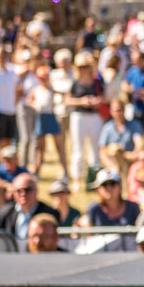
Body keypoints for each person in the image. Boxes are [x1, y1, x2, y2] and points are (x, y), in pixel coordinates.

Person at [65, 53, 105, 188]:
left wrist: (96, 101)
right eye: (81, 67)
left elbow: (103, 97)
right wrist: (82, 101)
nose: (84, 69)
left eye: (86, 66)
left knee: (95, 148)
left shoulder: (98, 82)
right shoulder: (75, 83)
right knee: (78, 149)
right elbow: (67, 100)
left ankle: (93, 178)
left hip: (94, 116)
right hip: (79, 116)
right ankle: (77, 178)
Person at [0, 172, 59, 241]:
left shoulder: (49, 214)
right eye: (18, 191)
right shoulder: (5, 212)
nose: (23, 194)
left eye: (27, 190)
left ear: (36, 190)